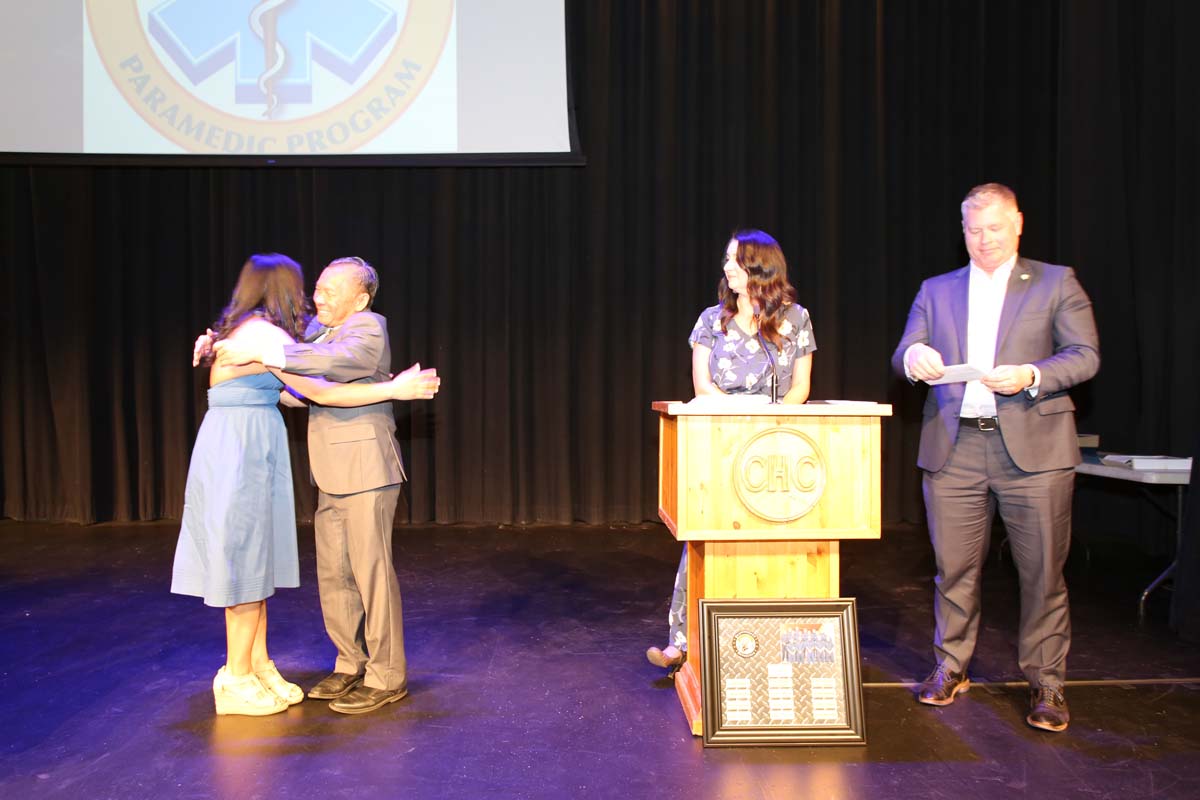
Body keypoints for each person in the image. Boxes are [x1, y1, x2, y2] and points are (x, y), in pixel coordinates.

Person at [173, 253, 440, 717]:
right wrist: (220, 342)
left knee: (371, 574)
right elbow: (294, 376)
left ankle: (384, 677)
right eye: (316, 287)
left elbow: (328, 369)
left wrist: (392, 389)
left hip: (367, 469)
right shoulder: (314, 332)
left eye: (330, 291)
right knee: (334, 576)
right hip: (329, 471)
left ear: (360, 299)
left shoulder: (368, 328)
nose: (318, 297)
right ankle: (348, 663)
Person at [892, 183, 1100, 733]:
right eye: (973, 230)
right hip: (955, 448)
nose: (983, 241)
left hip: (1034, 448)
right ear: (962, 231)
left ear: (1018, 224)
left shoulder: (1056, 281)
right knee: (953, 569)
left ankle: (1047, 680)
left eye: (994, 229)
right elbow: (904, 349)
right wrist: (916, 357)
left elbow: (1085, 355)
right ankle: (950, 665)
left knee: (1041, 573)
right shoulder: (936, 289)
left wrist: (1033, 375)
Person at [645, 229, 817, 671]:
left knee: (777, 543)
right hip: (719, 445)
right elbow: (702, 387)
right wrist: (738, 410)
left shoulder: (795, 319)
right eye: (726, 260)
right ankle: (683, 643)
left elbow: (800, 388)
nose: (726, 268)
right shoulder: (711, 320)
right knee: (705, 538)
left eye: (735, 260)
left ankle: (772, 644)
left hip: (776, 448)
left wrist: (769, 417)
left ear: (760, 266)